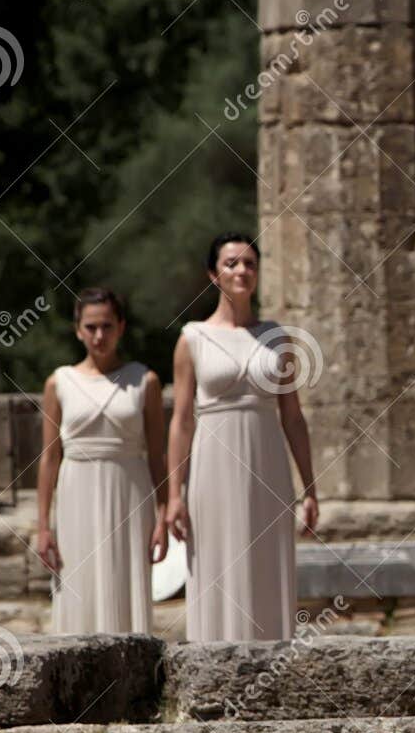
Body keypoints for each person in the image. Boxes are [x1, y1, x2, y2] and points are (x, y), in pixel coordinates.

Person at [167, 233, 319, 641]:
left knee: (265, 562)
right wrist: (174, 495)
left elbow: (293, 418)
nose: (242, 271)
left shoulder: (278, 339)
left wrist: (310, 488)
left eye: (250, 263)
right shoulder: (192, 338)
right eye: (232, 263)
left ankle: (272, 664)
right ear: (213, 274)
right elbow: (181, 421)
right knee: (219, 561)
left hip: (267, 463)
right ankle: (214, 660)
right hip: (213, 465)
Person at [36, 288, 167, 633]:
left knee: (125, 581)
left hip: (130, 492)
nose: (99, 335)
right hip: (76, 492)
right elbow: (50, 457)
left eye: (107, 326)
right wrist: (43, 526)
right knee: (79, 583)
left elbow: (158, 454)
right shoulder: (59, 382)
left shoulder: (145, 380)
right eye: (91, 327)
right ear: (78, 329)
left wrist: (164, 515)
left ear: (121, 327)